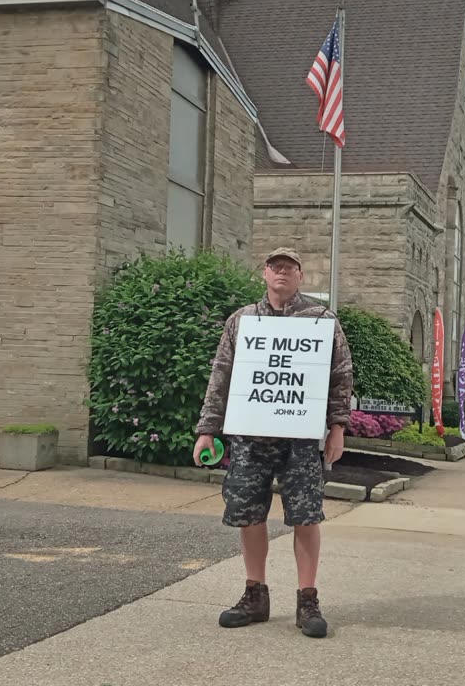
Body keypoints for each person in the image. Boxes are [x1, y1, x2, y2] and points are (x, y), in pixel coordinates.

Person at [193, 247, 353, 639]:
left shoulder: (320, 320)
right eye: (275, 266)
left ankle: (307, 599)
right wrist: (207, 429)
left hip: (301, 438)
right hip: (251, 435)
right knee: (248, 512)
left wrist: (338, 427)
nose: (282, 272)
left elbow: (341, 375)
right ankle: (255, 595)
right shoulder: (242, 321)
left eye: (290, 267)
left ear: (300, 276)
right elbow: (222, 375)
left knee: (306, 514)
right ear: (264, 274)